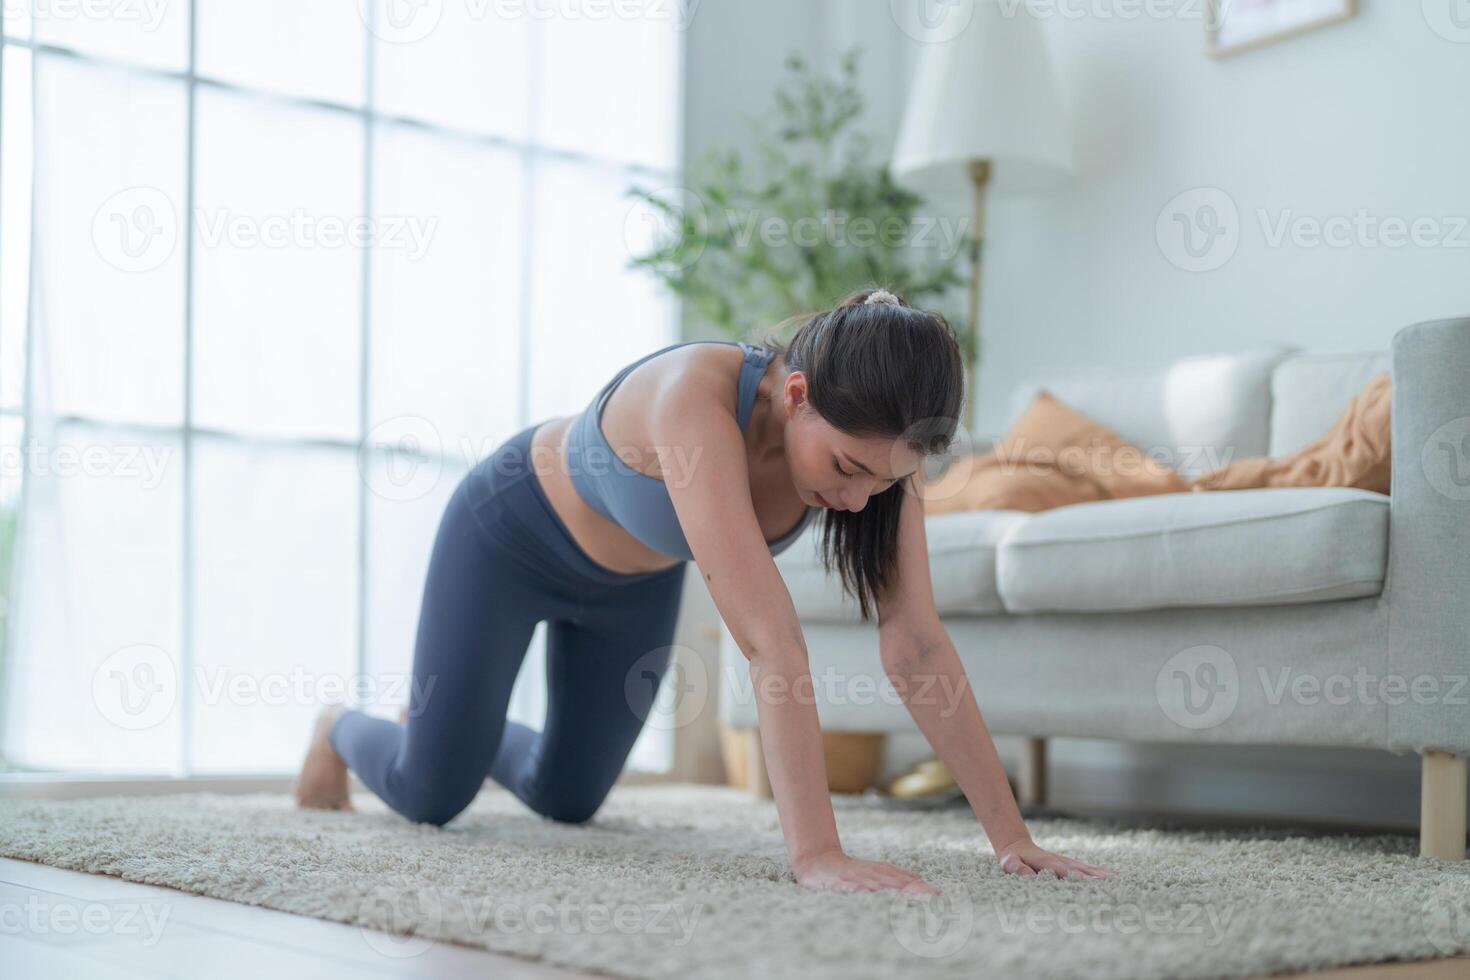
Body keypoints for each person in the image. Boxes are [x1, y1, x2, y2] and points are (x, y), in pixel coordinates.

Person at [294, 286, 1111, 893]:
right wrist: (818, 856)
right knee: (432, 794)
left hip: (630, 585)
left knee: (567, 796)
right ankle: (342, 728)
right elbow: (770, 643)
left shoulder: (884, 459)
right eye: (849, 471)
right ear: (796, 396)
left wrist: (1012, 838)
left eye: (885, 481)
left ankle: (454, 729)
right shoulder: (693, 400)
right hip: (507, 537)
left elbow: (917, 641)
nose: (861, 499)